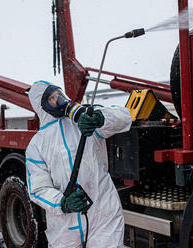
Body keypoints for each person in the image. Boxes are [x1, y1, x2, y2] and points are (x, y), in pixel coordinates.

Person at [26, 81, 132, 248]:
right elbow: (38, 189)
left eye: (58, 94)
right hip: (65, 226)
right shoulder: (36, 145)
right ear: (42, 106)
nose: (59, 100)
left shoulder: (83, 121)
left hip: (103, 211)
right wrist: (62, 203)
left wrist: (100, 118)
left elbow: (124, 117)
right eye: (52, 98)